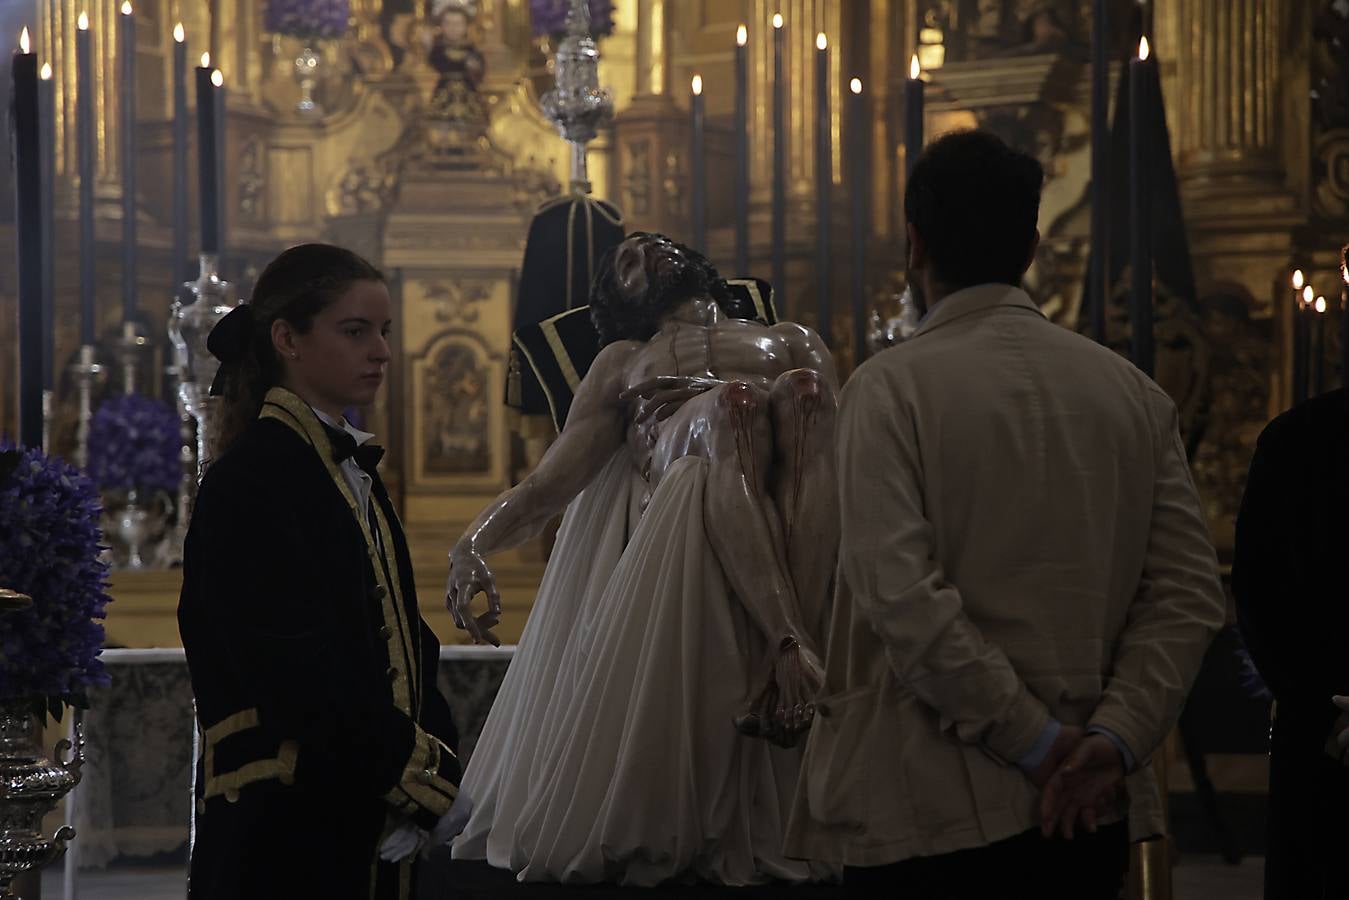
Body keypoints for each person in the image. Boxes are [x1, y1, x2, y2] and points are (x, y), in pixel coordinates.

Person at [785, 130, 1225, 898]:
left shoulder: (888, 389)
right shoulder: (1131, 393)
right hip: (1087, 805)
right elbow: (1187, 598)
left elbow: (899, 596)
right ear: (1029, 246)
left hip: (927, 806)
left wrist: (1036, 743)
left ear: (913, 245)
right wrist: (1111, 739)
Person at [447, 232, 838, 885]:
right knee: (732, 406)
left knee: (804, 393)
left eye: (653, 245)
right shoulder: (626, 359)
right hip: (681, 499)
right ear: (620, 299)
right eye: (625, 261)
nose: (645, 255)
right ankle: (789, 641)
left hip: (784, 515)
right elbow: (550, 485)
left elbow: (835, 447)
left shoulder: (792, 340)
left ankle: (800, 642)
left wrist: (712, 384)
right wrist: (471, 545)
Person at [178, 243, 468, 900]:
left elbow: (402, 641)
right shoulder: (253, 481)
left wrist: (428, 769)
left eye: (385, 332)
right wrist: (413, 776)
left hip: (354, 804)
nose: (382, 352)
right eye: (355, 330)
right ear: (287, 338)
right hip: (286, 826)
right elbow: (293, 667)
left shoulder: (346, 471)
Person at [1234, 370, 1349, 899]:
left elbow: (1261, 600)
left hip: (1324, 735)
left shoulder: (1296, 437)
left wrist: (1322, 707)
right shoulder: (1295, 439)